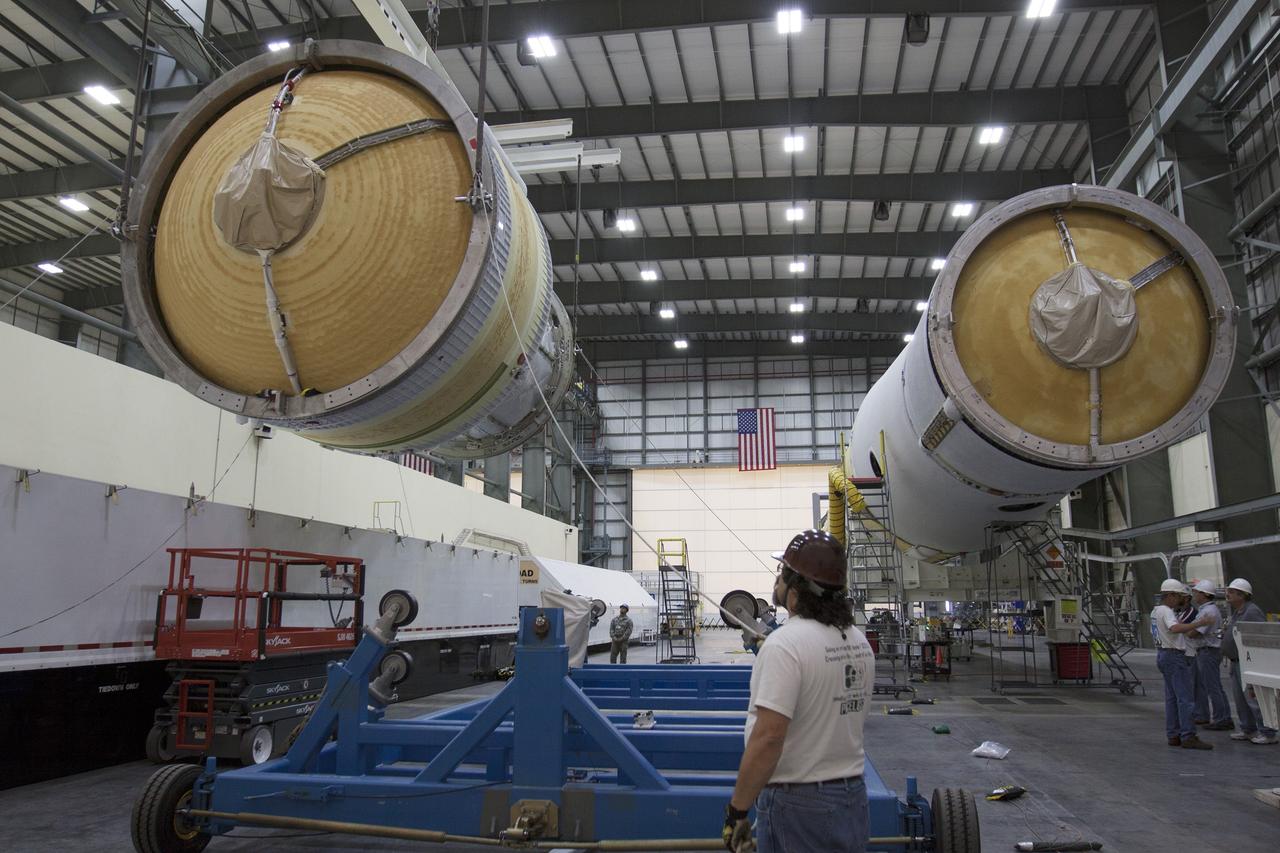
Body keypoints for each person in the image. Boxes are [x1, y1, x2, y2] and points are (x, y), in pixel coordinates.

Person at [723, 530, 875, 853]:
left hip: (799, 804)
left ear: (795, 592)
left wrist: (737, 810)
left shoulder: (784, 646)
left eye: (782, 575)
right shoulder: (859, 643)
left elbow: (769, 737)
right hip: (851, 796)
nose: (777, 581)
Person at [1150, 579, 1212, 749]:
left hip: (1162, 655)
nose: (1180, 600)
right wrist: (1199, 623)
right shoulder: (1167, 612)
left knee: (1171, 698)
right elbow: (1174, 628)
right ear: (1170, 595)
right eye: (1178, 596)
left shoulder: (1155, 611)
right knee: (1185, 698)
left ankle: (1173, 734)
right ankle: (1188, 735)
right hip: (1174, 656)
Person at [1221, 578, 1278, 745]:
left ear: (1242, 595)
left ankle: (1268, 733)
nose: (1228, 594)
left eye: (1231, 592)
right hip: (1236, 661)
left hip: (1248, 662)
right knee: (1240, 699)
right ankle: (1248, 728)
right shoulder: (1238, 612)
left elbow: (1259, 637)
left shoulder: (1251, 612)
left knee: (1254, 698)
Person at [1185, 580, 1232, 730]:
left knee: (1212, 687)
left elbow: (1193, 633)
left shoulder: (1208, 612)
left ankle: (1221, 719)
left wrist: (1186, 629)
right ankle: (1224, 717)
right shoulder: (1207, 610)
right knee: (1215, 686)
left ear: (1204, 595)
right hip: (1208, 651)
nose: (1194, 595)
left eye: (1196, 592)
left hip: (1207, 651)